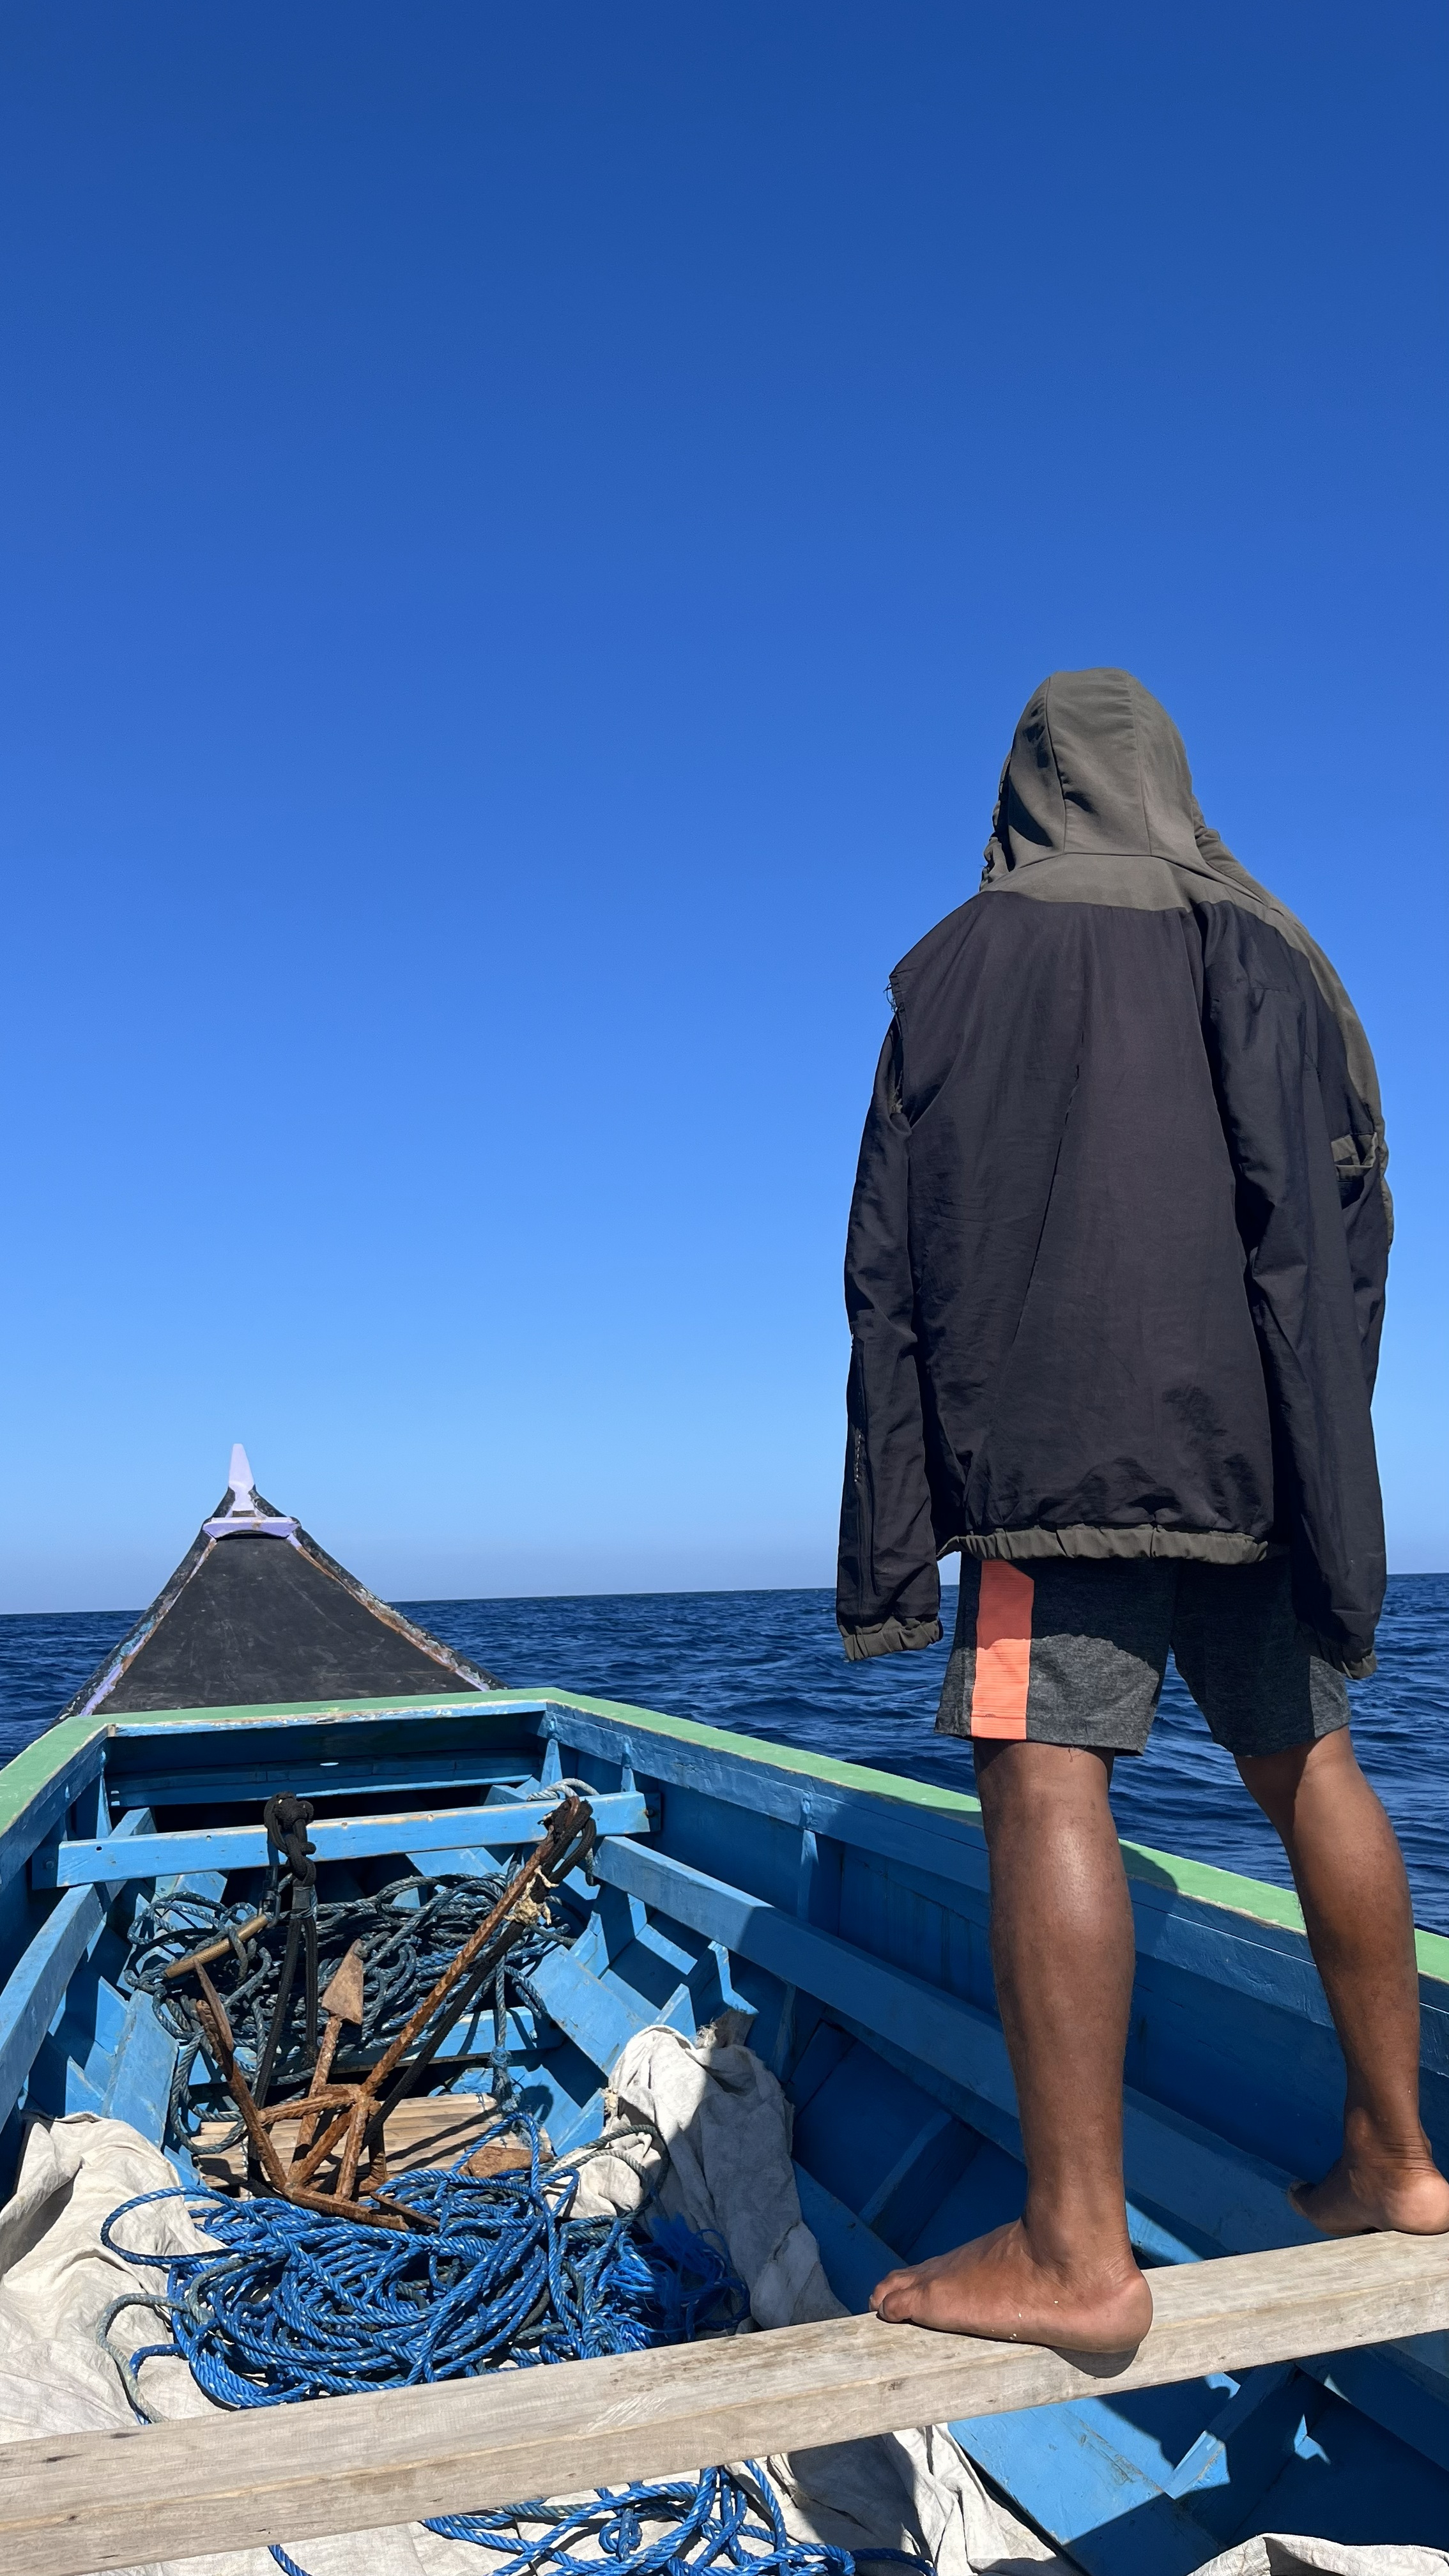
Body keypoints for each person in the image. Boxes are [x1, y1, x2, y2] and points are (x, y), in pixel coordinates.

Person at [836, 667, 1448, 2354]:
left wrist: (910, 1506)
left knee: (1042, 1778)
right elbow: (1354, 1222)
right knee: (1307, 1759)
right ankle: (1395, 2161)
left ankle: (1071, 2251)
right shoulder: (1278, 949)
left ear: (1024, 786)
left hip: (1061, 1457)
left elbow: (891, 1259)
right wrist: (1324, 1444)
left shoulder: (958, 965)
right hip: (1266, 1448)